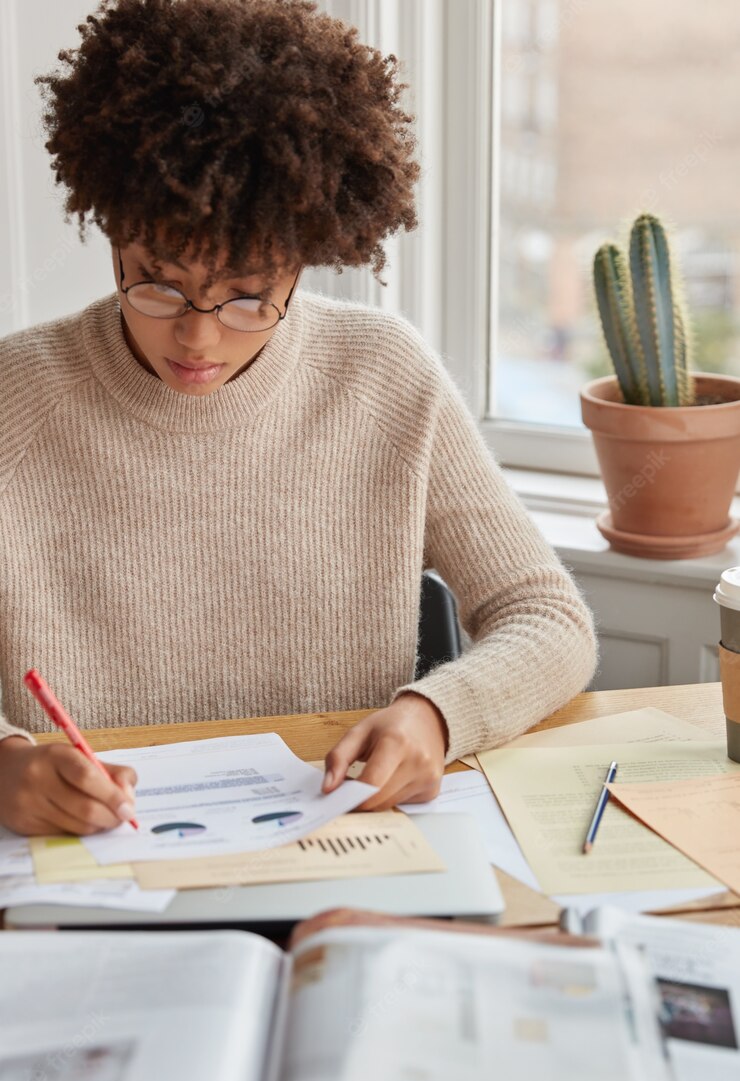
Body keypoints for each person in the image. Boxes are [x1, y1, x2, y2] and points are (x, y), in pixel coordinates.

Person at [0, 0, 597, 837]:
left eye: (248, 295)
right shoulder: (14, 400)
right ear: (111, 235)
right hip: (98, 869)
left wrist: (437, 713)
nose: (199, 334)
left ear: (306, 258)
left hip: (338, 849)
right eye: (158, 281)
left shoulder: (382, 376)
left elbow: (547, 616)